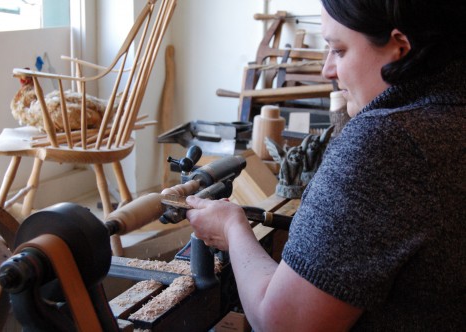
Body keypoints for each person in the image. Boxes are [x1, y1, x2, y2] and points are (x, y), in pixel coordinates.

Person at [185, 0, 466, 330]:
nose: (327, 70)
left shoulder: (389, 141)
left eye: (339, 50)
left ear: (399, 47)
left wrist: (233, 229)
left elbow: (284, 324)